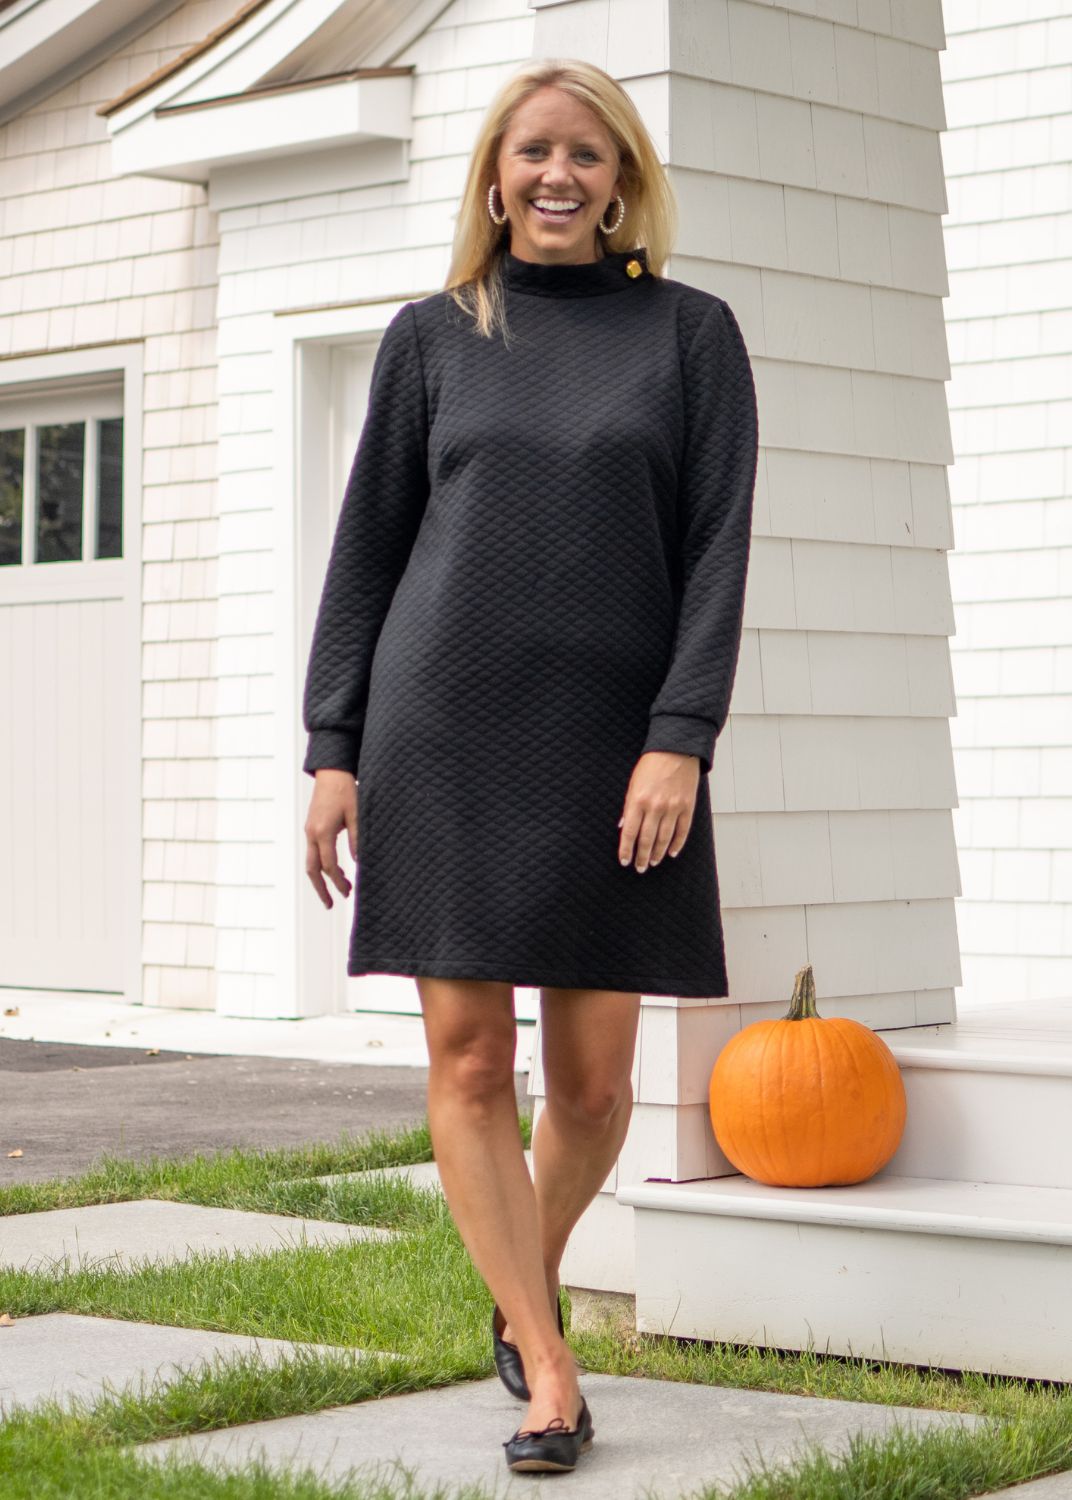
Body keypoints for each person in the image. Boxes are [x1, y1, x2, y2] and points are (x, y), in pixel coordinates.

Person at [301, 57, 759, 1476]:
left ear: (623, 181)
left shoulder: (690, 335)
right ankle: (549, 1371)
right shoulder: (431, 338)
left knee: (598, 1085)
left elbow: (717, 552)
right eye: (531, 152)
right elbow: (367, 554)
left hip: (616, 744)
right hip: (441, 728)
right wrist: (333, 751)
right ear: (494, 180)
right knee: (467, 1058)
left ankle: (521, 1288)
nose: (557, 175)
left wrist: (680, 736)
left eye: (586, 154)